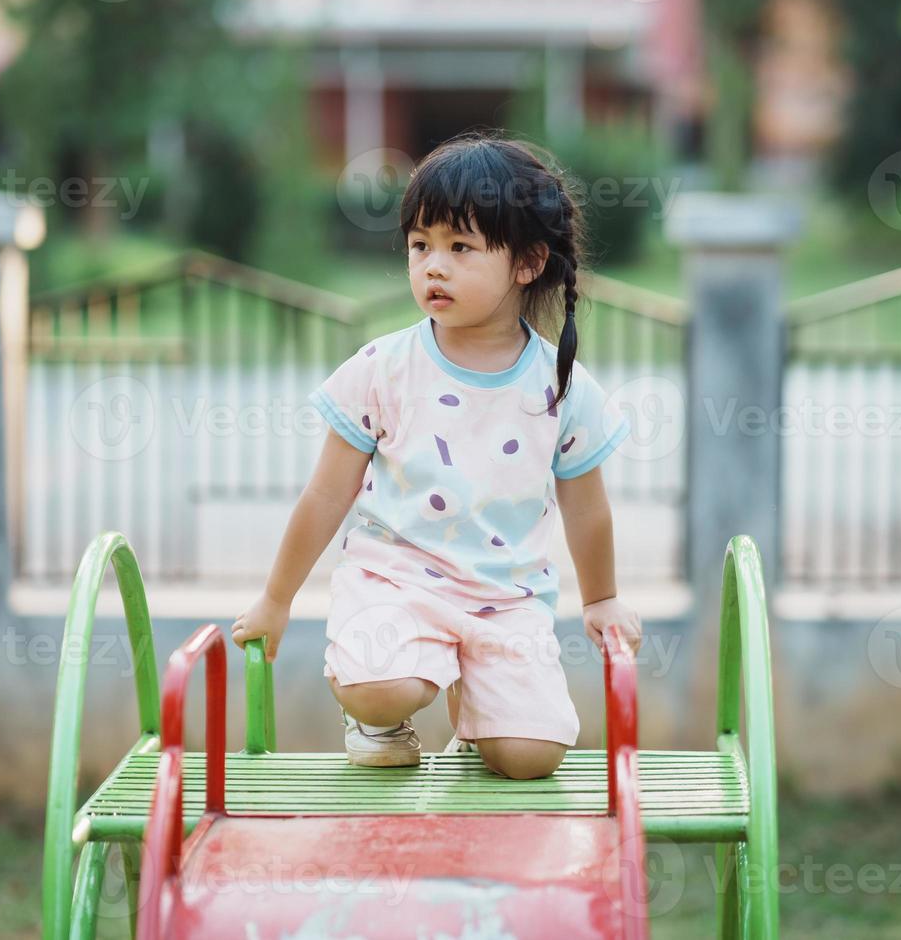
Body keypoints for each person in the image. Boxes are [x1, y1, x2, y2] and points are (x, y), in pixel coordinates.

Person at [231, 133, 642, 780]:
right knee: (384, 684)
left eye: (461, 248)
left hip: (504, 600)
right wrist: (276, 600)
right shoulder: (384, 369)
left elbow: (587, 509)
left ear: (528, 264)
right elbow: (325, 494)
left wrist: (602, 599)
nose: (433, 266)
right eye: (420, 246)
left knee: (531, 758)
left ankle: (480, 714)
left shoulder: (560, 386)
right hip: (397, 585)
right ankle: (377, 716)